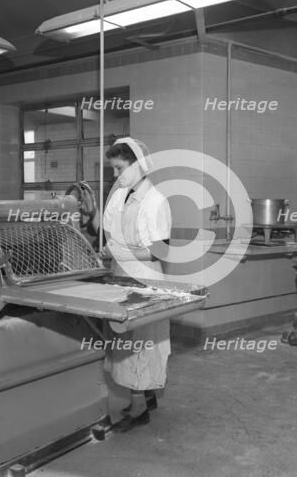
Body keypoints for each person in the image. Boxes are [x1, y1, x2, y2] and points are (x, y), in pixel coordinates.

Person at [87, 137, 172, 431]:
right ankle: (146, 397)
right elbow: (105, 230)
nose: (116, 175)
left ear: (138, 165)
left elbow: (160, 250)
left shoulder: (155, 200)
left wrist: (119, 250)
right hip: (121, 275)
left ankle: (139, 410)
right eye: (113, 170)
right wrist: (93, 214)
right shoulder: (120, 195)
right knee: (125, 343)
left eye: (119, 168)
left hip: (145, 278)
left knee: (140, 343)